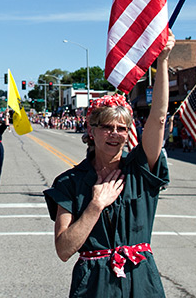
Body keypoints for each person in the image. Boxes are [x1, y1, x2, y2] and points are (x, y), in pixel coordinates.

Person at [44, 31, 175, 298]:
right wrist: (95, 206)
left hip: (141, 280)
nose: (115, 133)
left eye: (121, 128)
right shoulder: (69, 183)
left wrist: (162, 61)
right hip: (94, 284)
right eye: (107, 127)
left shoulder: (141, 170)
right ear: (91, 131)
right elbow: (64, 249)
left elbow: (159, 117)